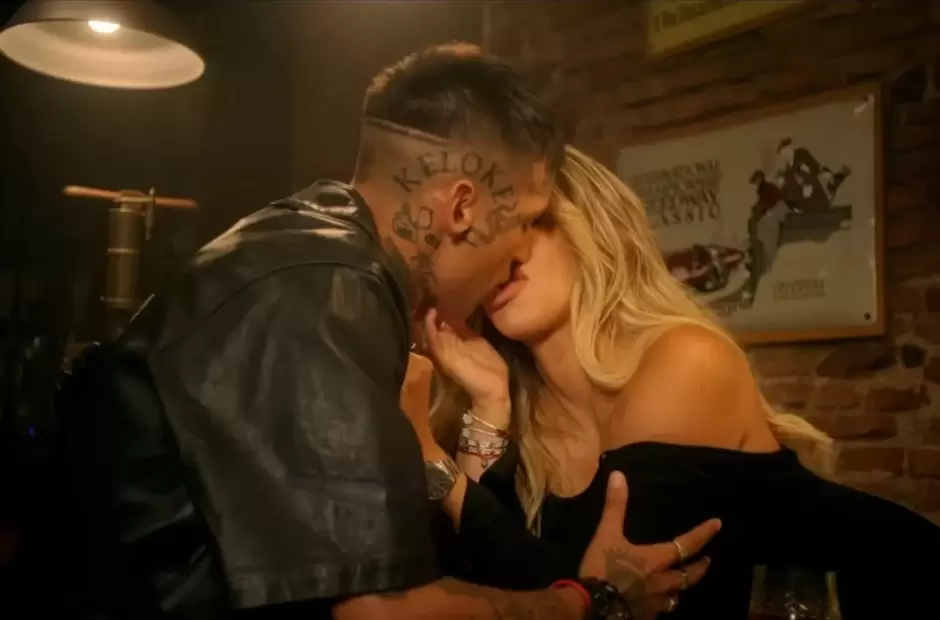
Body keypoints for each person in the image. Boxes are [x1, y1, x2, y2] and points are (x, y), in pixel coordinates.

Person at [62, 44, 719, 620]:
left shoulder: (312, 252)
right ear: (462, 207)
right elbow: (381, 612)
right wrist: (589, 602)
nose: (519, 249)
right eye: (525, 219)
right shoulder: (326, 287)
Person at [417, 145, 940, 619]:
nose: (500, 253)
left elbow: (597, 600)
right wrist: (488, 406)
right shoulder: (519, 412)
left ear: (592, 228)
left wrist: (437, 466)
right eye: (477, 240)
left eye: (527, 223)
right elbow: (494, 591)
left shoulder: (686, 360)